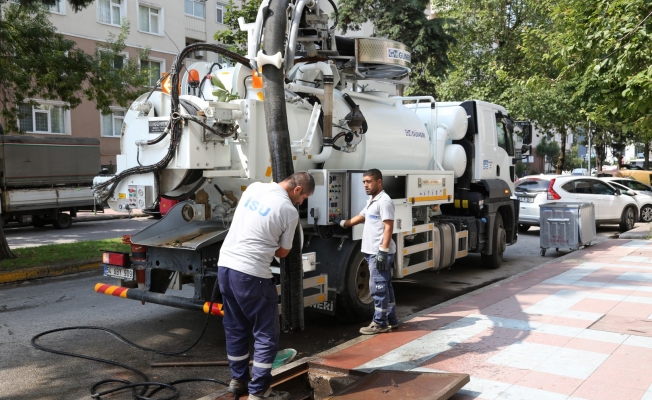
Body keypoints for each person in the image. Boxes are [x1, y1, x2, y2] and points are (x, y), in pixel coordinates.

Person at [218, 171, 315, 400]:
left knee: (235, 327)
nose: (301, 203)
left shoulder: (254, 188)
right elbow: (283, 252)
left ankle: (238, 381)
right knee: (266, 333)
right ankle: (260, 391)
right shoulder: (289, 211)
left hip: (225, 267)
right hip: (252, 275)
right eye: (304, 198)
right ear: (297, 189)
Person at [336, 169, 398, 335]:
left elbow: (388, 227)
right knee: (386, 286)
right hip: (372, 252)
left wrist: (383, 251)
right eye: (364, 182)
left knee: (377, 288)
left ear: (379, 182)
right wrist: (342, 223)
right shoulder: (372, 200)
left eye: (369, 181)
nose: (365, 185)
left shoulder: (384, 201)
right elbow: (361, 217)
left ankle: (380, 323)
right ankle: (391, 320)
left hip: (379, 253)